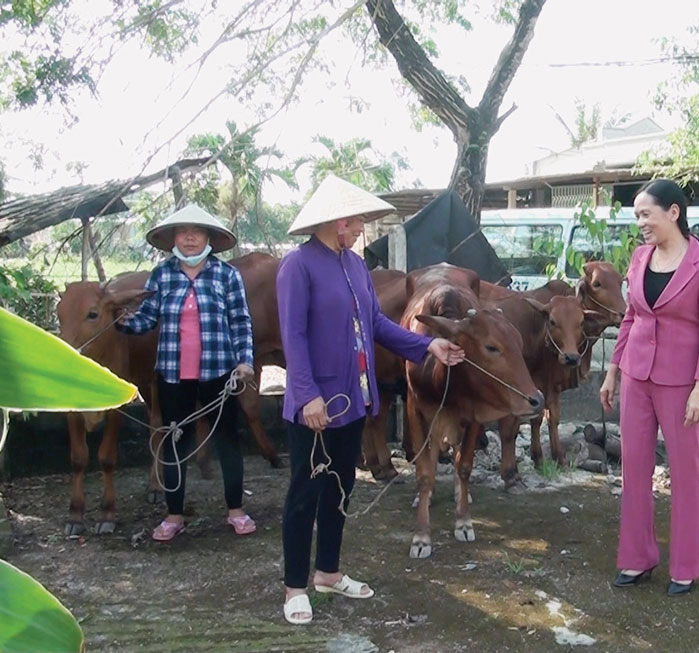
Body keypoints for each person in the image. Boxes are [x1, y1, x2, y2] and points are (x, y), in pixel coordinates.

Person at [276, 174, 465, 625]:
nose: (363, 226)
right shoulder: (296, 267)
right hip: (315, 405)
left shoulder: (355, 265)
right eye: (358, 218)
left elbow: (376, 324)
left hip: (353, 400)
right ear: (338, 221)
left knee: (340, 490)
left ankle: (329, 572)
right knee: (305, 494)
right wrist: (307, 396)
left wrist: (427, 346)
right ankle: (294, 587)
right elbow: (293, 338)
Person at [599, 179, 699, 596]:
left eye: (645, 214)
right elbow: (632, 317)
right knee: (634, 469)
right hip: (637, 377)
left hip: (682, 383)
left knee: (685, 473)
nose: (640, 223)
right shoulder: (639, 257)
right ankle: (637, 559)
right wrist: (614, 369)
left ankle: (685, 566)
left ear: (673, 212)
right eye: (637, 216)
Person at [120, 204, 256, 542]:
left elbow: (240, 321)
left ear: (210, 237)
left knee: (227, 442)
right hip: (172, 374)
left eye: (197, 231)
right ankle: (174, 515)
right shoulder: (162, 275)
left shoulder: (226, 275)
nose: (191, 237)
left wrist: (245, 361)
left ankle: (236, 510)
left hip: (220, 372)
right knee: (173, 444)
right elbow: (147, 318)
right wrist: (120, 320)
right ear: (173, 239)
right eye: (183, 231)